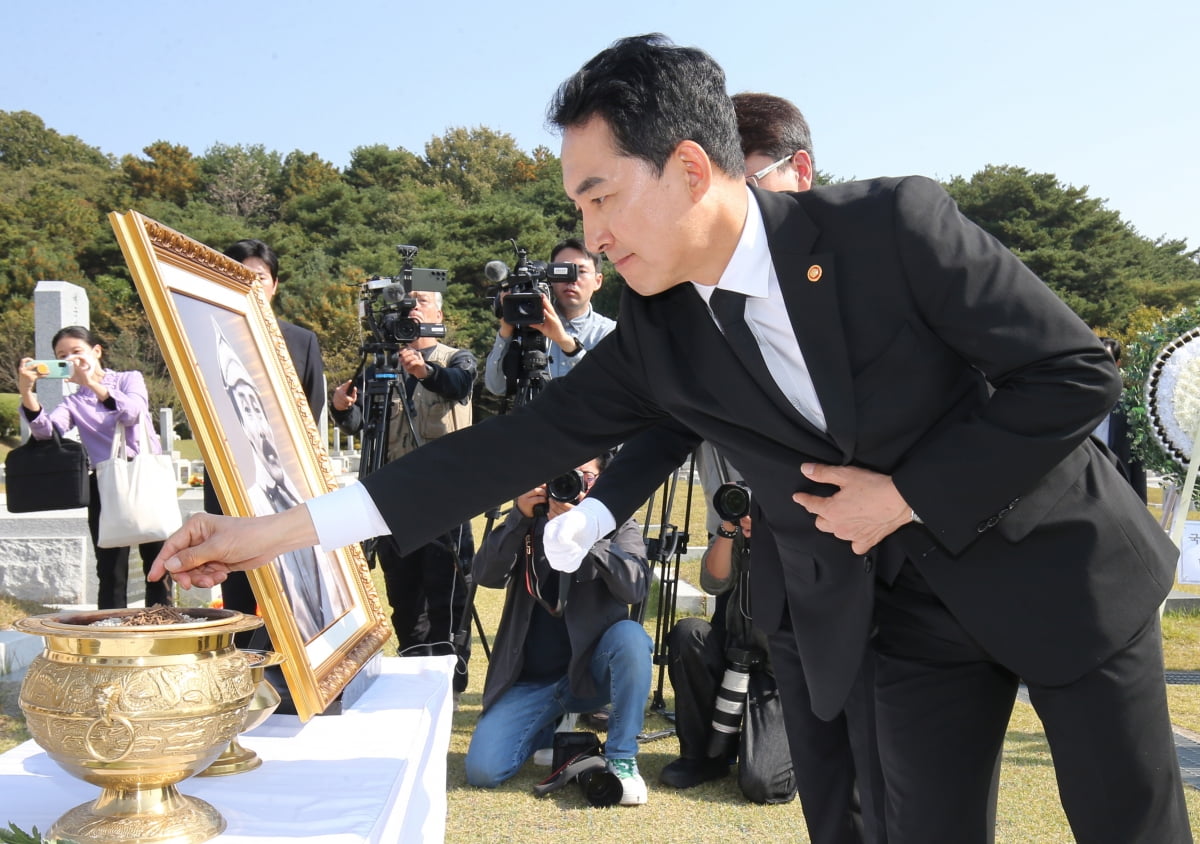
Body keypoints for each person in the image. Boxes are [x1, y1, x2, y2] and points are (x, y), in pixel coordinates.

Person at [151, 35, 1191, 844]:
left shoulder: (895, 228)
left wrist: (906, 493)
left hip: (1057, 570)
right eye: (580, 204)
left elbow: (1070, 375)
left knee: (1125, 824)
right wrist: (277, 531)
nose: (592, 235)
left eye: (601, 194)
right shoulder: (661, 330)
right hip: (897, 623)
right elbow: (497, 453)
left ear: (690, 167)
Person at [463, 452, 652, 805]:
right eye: (566, 475)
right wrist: (518, 518)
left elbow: (635, 587)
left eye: (586, 476)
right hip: (533, 679)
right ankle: (546, 726)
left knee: (632, 638)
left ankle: (622, 756)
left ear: (601, 483)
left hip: (589, 674)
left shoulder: (616, 521)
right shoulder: (530, 521)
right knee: (483, 772)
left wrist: (588, 538)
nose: (575, 484)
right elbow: (486, 574)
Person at [329, 289, 477, 698]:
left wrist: (424, 372)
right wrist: (342, 408)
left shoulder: (455, 357)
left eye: (423, 301)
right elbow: (362, 422)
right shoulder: (382, 364)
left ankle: (451, 674)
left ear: (439, 312)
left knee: (447, 590)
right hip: (393, 496)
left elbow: (459, 385)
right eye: (407, 301)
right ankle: (414, 669)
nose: (412, 307)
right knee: (403, 591)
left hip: (446, 496)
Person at [204, 238, 327, 633]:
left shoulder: (301, 340)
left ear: (274, 284)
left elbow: (312, 409)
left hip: (285, 479)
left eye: (260, 276)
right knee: (234, 576)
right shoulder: (204, 334)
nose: (252, 283)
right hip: (230, 476)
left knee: (289, 576)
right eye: (242, 274)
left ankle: (291, 664)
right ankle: (236, 661)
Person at [213, 319, 352, 642]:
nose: (257, 421)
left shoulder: (300, 339)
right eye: (244, 406)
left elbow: (312, 404)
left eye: (257, 405)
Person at [18, 325, 171, 610]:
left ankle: (162, 625)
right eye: (62, 356)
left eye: (77, 352)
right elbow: (47, 433)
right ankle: (112, 632)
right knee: (110, 570)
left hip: (144, 476)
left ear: (96, 351)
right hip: (104, 484)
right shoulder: (73, 402)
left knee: (158, 564)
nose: (72, 360)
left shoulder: (128, 379)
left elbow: (132, 413)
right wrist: (27, 391)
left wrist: (92, 384)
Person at [665, 511, 798, 806]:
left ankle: (786, 749)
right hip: (733, 651)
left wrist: (773, 537)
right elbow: (713, 583)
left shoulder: (802, 530)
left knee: (763, 785)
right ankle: (702, 757)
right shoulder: (740, 532)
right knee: (690, 634)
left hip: (779, 669)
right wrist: (728, 530)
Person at [483, 237, 615, 397]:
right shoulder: (529, 323)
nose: (571, 280)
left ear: (598, 281)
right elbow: (496, 387)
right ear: (550, 276)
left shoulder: (610, 333)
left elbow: (611, 389)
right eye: (562, 272)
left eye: (580, 271)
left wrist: (567, 344)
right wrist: (505, 332)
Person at [1094, 337, 1148, 502]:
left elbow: (1138, 464)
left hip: (1117, 494)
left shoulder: (1130, 409)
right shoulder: (1074, 404)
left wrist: (1140, 506)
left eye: (1106, 360)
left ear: (1117, 364)